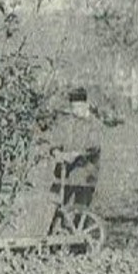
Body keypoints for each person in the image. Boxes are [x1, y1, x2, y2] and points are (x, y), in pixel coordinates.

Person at [49, 87, 103, 235]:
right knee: (58, 207)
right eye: (73, 107)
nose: (75, 110)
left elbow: (93, 146)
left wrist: (76, 154)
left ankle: (79, 243)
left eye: (79, 107)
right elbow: (55, 142)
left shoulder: (94, 124)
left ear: (86, 105)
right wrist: (56, 152)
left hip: (85, 173)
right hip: (64, 174)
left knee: (81, 209)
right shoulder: (66, 123)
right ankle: (56, 236)